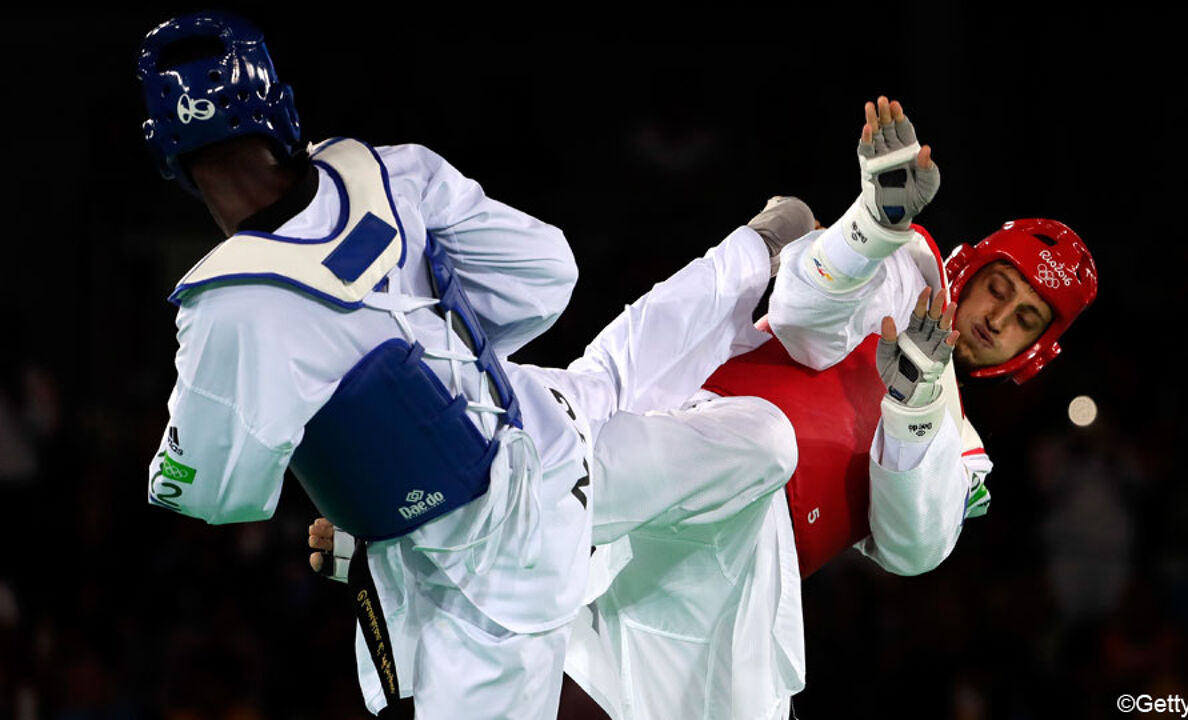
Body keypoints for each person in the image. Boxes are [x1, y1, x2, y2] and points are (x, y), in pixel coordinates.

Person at [309, 96, 1096, 719]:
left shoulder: (961, 444)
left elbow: (912, 546)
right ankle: (441, 514)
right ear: (975, 265)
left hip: (737, 577)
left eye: (1025, 318)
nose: (998, 318)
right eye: (1002, 288)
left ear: (1035, 351)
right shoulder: (909, 267)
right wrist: (874, 226)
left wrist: (916, 397)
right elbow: (800, 316)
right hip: (684, 460)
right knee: (765, 441)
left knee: (579, 690)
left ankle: (425, 543)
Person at [140, 13, 804, 719]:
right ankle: (758, 247)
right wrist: (438, 342)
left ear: (170, 157)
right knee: (749, 434)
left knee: (609, 398)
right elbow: (546, 279)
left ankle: (382, 550)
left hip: (487, 576)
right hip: (556, 439)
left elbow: (213, 492)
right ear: (280, 103)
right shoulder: (390, 171)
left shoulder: (231, 305)